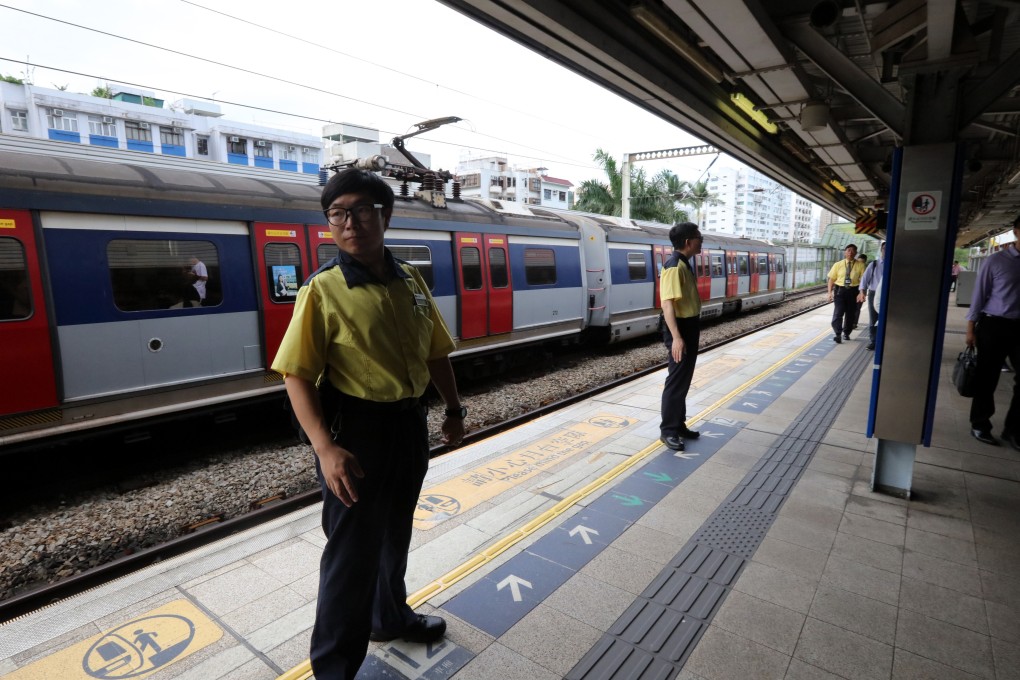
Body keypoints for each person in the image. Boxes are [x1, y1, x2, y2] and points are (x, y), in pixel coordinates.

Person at [271, 168, 466, 679]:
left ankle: (389, 616)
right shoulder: (322, 290)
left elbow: (436, 351)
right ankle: (334, 669)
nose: (349, 222)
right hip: (355, 436)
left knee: (395, 533)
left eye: (361, 210)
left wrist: (453, 409)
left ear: (386, 215)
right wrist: (324, 449)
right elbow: (295, 375)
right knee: (351, 556)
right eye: (337, 213)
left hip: (408, 426)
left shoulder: (411, 280)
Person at [966, 215, 1020, 450]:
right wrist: (970, 329)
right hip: (993, 325)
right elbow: (979, 296)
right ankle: (980, 423)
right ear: (1016, 232)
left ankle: (1014, 429)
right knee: (987, 377)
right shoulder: (996, 261)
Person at [659, 222, 703, 452]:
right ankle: (668, 431)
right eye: (698, 236)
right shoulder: (674, 265)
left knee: (684, 379)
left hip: (689, 326)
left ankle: (679, 424)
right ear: (688, 242)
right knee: (676, 380)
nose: (701, 240)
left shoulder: (683, 263)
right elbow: (667, 304)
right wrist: (676, 337)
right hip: (680, 328)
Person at [826, 244, 865, 343]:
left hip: (853, 291)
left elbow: (863, 281)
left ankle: (847, 333)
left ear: (856, 253)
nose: (850, 252)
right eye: (848, 250)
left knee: (850, 314)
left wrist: (861, 293)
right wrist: (829, 293)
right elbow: (831, 279)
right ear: (845, 252)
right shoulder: (838, 264)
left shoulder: (860, 265)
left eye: (852, 250)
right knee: (838, 313)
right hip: (840, 291)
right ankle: (838, 334)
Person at [857, 242, 884, 351]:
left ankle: (884, 340)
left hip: (889, 294)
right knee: (873, 318)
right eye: (884, 248)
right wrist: (862, 292)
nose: (886, 251)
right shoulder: (874, 264)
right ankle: (874, 341)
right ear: (881, 250)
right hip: (874, 294)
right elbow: (864, 279)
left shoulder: (894, 264)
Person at [852, 253, 867, 329]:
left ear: (864, 262)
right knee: (851, 307)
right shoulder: (853, 268)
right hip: (853, 289)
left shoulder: (866, 269)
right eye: (859, 261)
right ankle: (850, 322)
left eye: (862, 262)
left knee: (857, 308)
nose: (860, 263)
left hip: (861, 290)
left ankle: (854, 323)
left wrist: (863, 293)